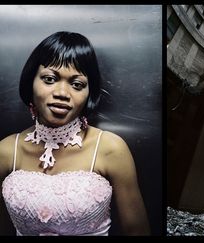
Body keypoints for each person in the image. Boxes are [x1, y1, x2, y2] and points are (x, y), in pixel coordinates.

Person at [0, 31, 150, 235]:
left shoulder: (110, 149)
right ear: (31, 82)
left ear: (89, 93)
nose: (62, 93)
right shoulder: (7, 150)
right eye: (50, 79)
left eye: (77, 84)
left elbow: (136, 230)